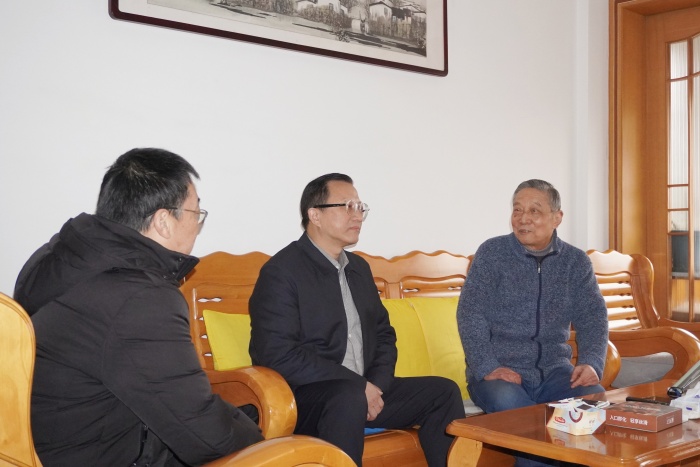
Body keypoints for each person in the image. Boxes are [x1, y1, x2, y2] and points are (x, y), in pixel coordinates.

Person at [14, 148, 263, 466]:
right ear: (164, 222)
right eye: (195, 212)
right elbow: (205, 438)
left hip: (59, 443)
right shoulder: (140, 297)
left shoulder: (62, 260)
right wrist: (266, 444)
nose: (197, 224)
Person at [248, 173, 464, 466]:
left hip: (363, 390)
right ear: (315, 215)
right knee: (347, 396)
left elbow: (384, 333)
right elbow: (277, 354)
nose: (358, 215)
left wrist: (376, 385)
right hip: (304, 399)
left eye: (360, 207)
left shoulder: (359, 268)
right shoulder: (281, 272)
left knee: (442, 392)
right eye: (347, 206)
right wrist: (357, 385)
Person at [457, 179, 608, 464]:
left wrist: (591, 361)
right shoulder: (492, 253)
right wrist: (487, 366)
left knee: (593, 399)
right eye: (517, 210)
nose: (523, 218)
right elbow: (470, 313)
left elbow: (593, 315)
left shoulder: (575, 262)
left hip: (556, 372)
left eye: (534, 211)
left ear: (557, 217)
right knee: (523, 417)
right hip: (500, 374)